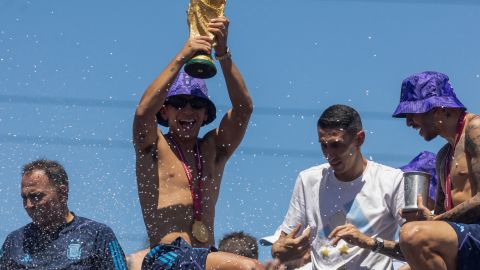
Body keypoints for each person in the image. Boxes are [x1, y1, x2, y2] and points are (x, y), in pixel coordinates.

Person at [133, 15, 263, 269]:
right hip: (166, 256)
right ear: (164, 111)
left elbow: (244, 108)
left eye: (197, 105)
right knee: (251, 268)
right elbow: (142, 113)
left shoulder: (213, 150)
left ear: (206, 115)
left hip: (204, 255)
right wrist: (184, 55)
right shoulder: (153, 145)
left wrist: (223, 53)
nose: (188, 111)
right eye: (179, 104)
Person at [271, 104, 405, 270]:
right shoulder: (308, 180)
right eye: (323, 145)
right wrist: (280, 250)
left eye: (336, 145)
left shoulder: (391, 179)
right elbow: (281, 243)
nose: (329, 154)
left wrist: (369, 243)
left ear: (359, 139)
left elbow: (414, 249)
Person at [392, 71, 480, 270]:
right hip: (467, 239)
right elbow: (436, 223)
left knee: (413, 234)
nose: (408, 122)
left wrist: (433, 221)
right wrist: (369, 242)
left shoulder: (476, 129)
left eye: (412, 112)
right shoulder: (443, 157)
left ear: (438, 109)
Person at [0, 159, 127, 269]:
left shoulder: (97, 234)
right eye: (24, 197)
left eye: (36, 196)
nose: (28, 205)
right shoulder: (14, 241)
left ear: (62, 193)